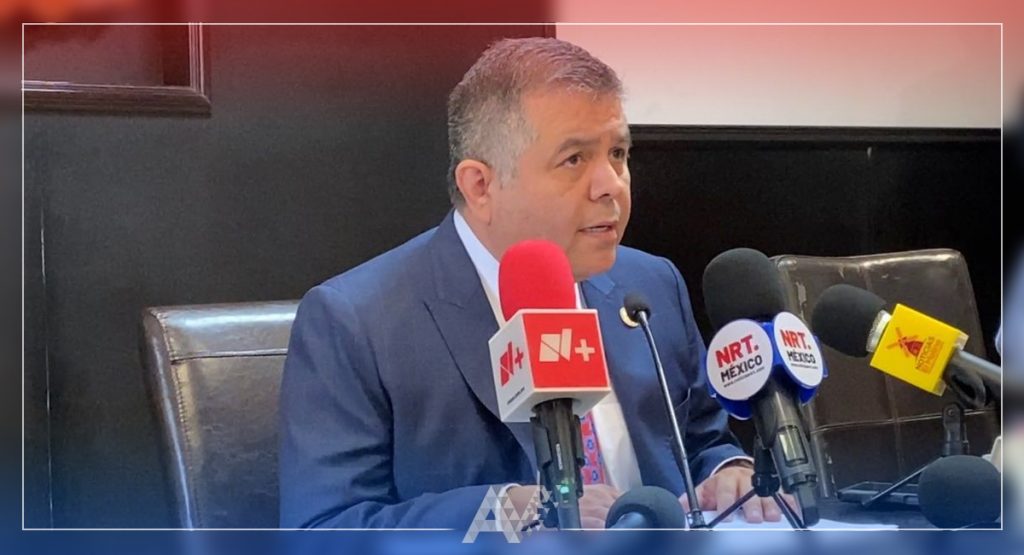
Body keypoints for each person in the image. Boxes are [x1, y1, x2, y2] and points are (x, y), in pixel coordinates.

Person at [279, 37, 787, 530]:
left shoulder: (651, 285)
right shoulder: (357, 320)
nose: (611, 185)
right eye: (574, 159)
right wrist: (504, 512)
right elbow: (323, 529)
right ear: (480, 186)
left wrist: (729, 473)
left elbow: (701, 442)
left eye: (617, 153)